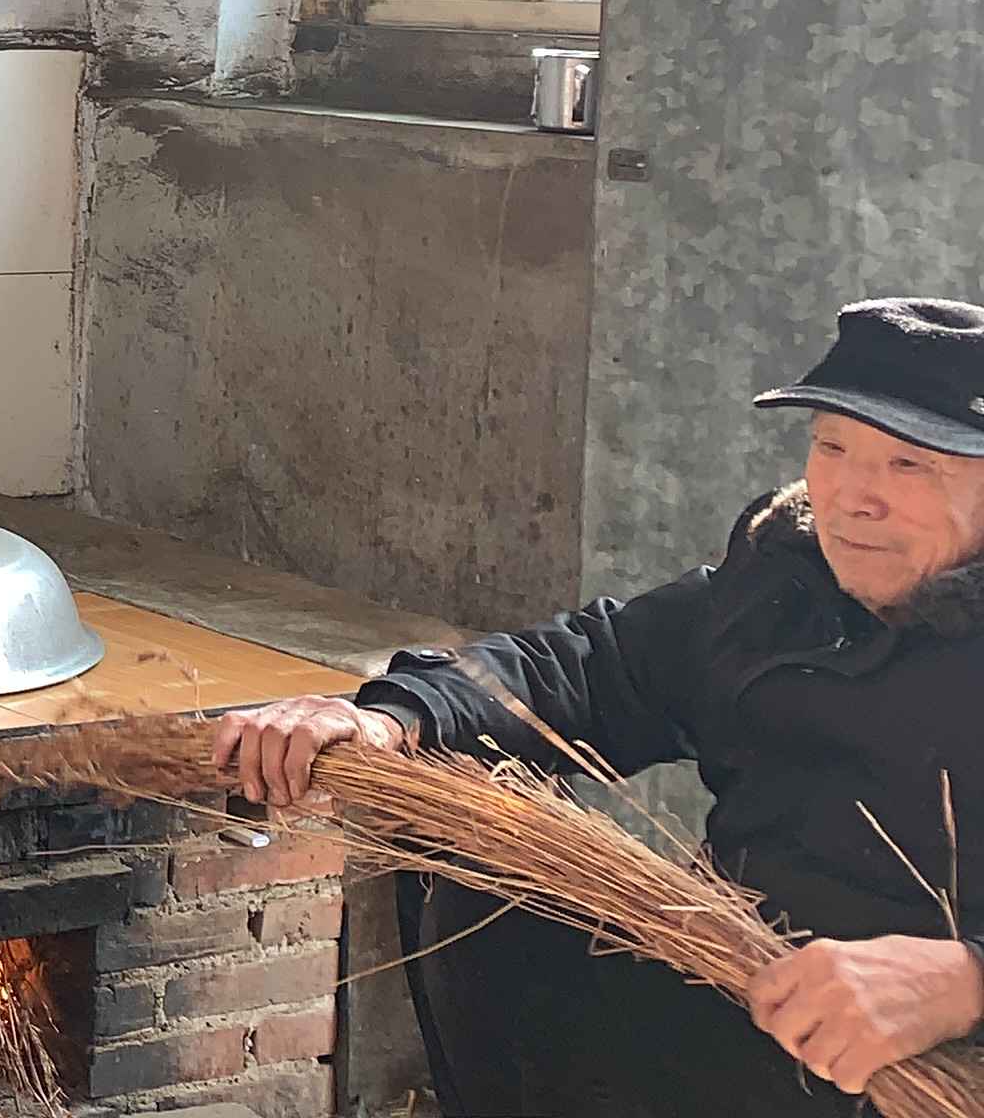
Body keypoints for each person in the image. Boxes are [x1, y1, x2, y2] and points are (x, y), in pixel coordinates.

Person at [212, 297, 984, 1118]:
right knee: (476, 871)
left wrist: (965, 982)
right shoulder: (780, 580)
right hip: (752, 1006)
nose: (853, 497)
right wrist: (393, 718)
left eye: (912, 466)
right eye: (833, 447)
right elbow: (588, 667)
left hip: (931, 1070)